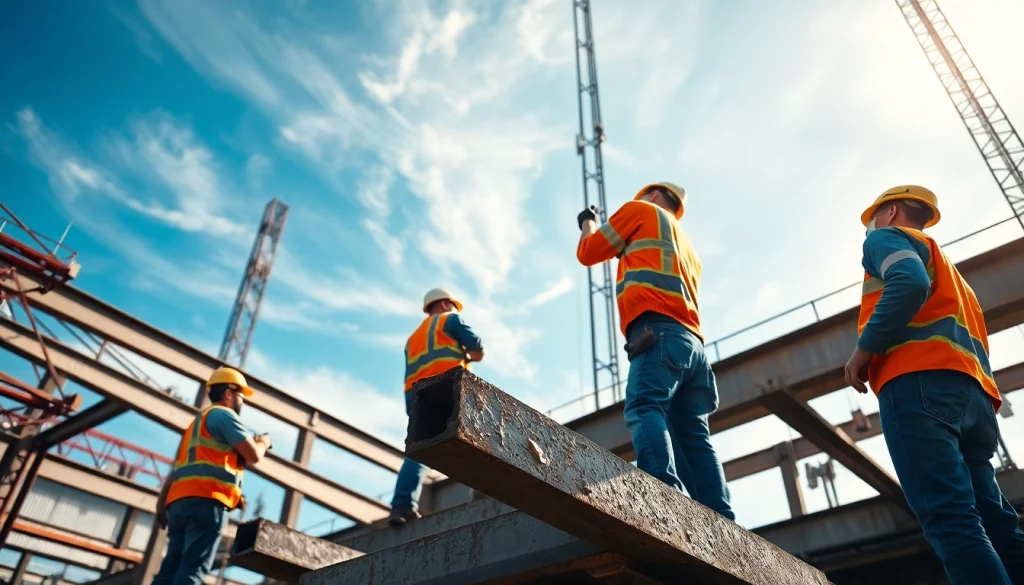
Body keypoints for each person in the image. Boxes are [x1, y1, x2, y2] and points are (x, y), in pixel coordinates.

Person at [844, 185, 1024, 585]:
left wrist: (864, 351)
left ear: (889, 212)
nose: (868, 231)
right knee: (997, 525)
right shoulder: (955, 277)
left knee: (951, 521)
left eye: (871, 221)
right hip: (975, 400)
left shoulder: (885, 238)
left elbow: (906, 283)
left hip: (918, 387)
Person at [575, 182, 735, 521]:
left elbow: (590, 252)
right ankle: (723, 517)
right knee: (693, 436)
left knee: (644, 405)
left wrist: (587, 222)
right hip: (693, 345)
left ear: (653, 195)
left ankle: (663, 496)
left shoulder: (640, 211)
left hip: (657, 333)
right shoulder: (686, 244)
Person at [153, 367, 272, 585]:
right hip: (207, 503)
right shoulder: (224, 415)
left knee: (169, 571)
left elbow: (178, 469)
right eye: (241, 395)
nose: (243, 401)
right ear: (229, 393)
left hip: (179, 505)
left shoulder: (195, 425)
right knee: (192, 571)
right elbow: (253, 456)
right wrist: (264, 442)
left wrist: (161, 505)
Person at [388, 288, 485, 526]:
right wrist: (472, 356)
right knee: (477, 438)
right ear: (443, 304)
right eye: (451, 305)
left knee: (422, 450)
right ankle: (483, 493)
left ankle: (401, 506)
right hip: (448, 385)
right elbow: (476, 346)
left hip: (418, 397)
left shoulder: (412, 339)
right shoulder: (449, 319)